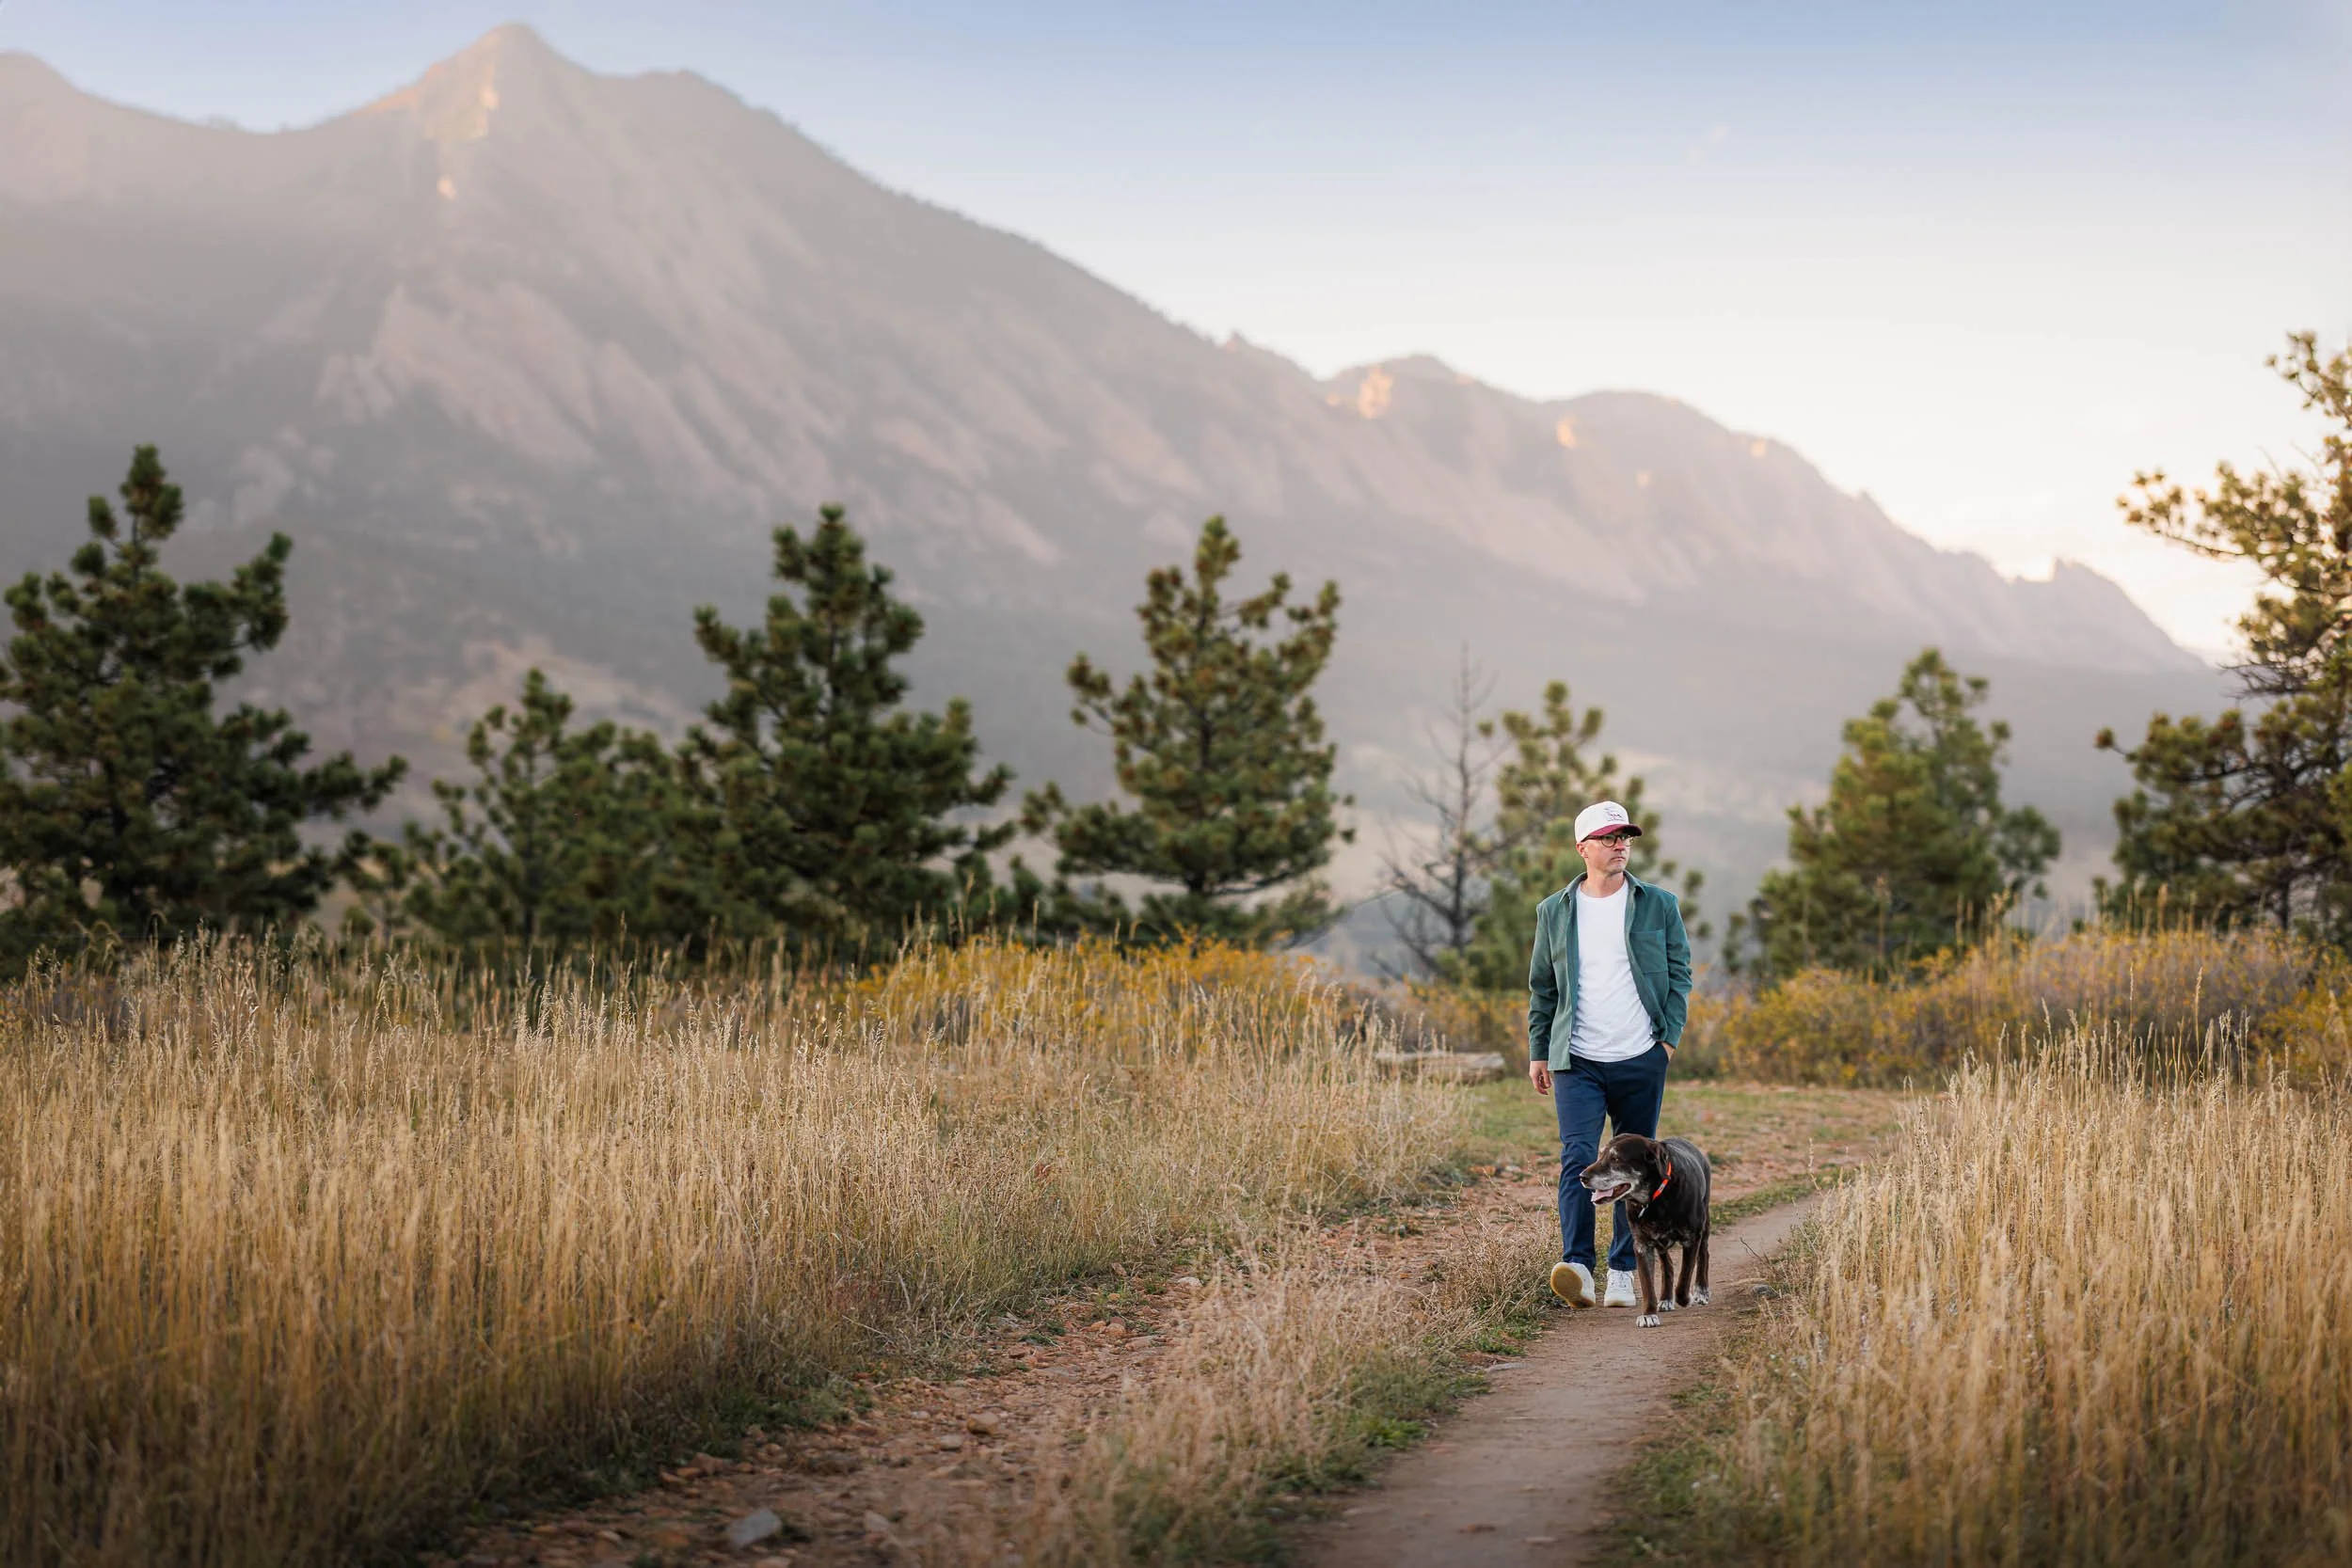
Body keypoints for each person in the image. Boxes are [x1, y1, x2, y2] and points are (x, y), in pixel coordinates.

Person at [1527, 800, 1693, 1308]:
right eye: (1607, 837)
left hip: (1641, 1056)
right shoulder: (1554, 910)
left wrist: (1666, 1042)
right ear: (1583, 848)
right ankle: (1578, 1265)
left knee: (1634, 1169)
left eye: (1625, 837)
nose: (1620, 844)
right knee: (1579, 1155)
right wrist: (1539, 1050)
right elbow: (1543, 986)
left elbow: (1680, 972)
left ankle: (1625, 1270)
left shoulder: (1658, 903)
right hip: (1576, 1057)